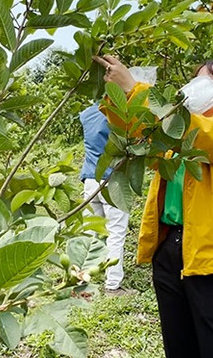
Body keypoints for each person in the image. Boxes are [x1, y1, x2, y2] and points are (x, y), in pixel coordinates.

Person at [94, 54, 213, 358]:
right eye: (197, 78)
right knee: (178, 346)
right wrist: (117, 93)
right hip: (170, 248)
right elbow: (134, 131)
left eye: (211, 79)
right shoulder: (173, 129)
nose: (200, 85)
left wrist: (136, 89)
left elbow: (207, 137)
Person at [79, 101, 132, 295]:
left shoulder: (86, 114)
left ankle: (80, 280)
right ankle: (112, 285)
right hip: (113, 180)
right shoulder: (121, 115)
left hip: (90, 179)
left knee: (90, 233)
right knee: (116, 233)